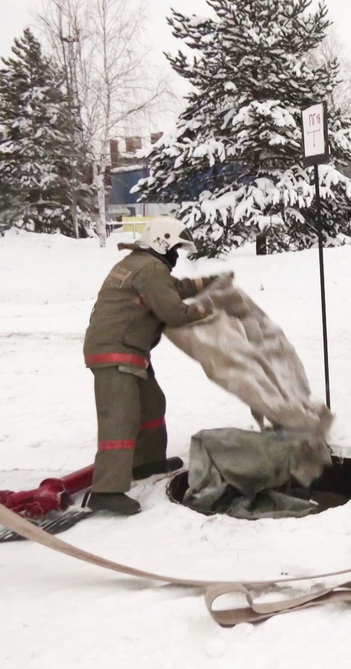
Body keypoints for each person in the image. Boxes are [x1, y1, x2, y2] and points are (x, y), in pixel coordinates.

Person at [82, 217, 228, 515]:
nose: (176, 255)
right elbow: (173, 311)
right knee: (119, 418)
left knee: (151, 404)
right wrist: (209, 308)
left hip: (127, 349)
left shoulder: (139, 263)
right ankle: (106, 490)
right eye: (175, 249)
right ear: (163, 243)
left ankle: (146, 462)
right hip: (115, 351)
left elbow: (172, 288)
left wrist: (210, 281)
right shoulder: (150, 268)